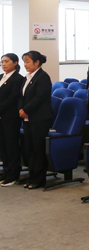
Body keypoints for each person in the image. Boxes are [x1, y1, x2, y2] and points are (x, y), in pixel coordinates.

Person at [18, 51, 53, 189]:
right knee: (30, 148)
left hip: (40, 118)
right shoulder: (27, 77)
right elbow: (21, 96)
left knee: (38, 149)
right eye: (24, 62)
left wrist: (26, 110)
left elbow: (40, 97)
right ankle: (31, 176)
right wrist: (21, 109)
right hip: (28, 118)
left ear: (37, 62)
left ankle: (39, 179)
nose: (25, 64)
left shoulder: (43, 77)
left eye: (27, 61)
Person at [0, 54, 24, 186]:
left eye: (6, 61)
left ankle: (13, 174)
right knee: (3, 145)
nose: (3, 64)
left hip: (10, 116)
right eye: (2, 61)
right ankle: (6, 170)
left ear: (15, 63)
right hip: (1, 116)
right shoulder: (1, 77)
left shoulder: (18, 79)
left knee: (11, 145)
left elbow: (13, 98)